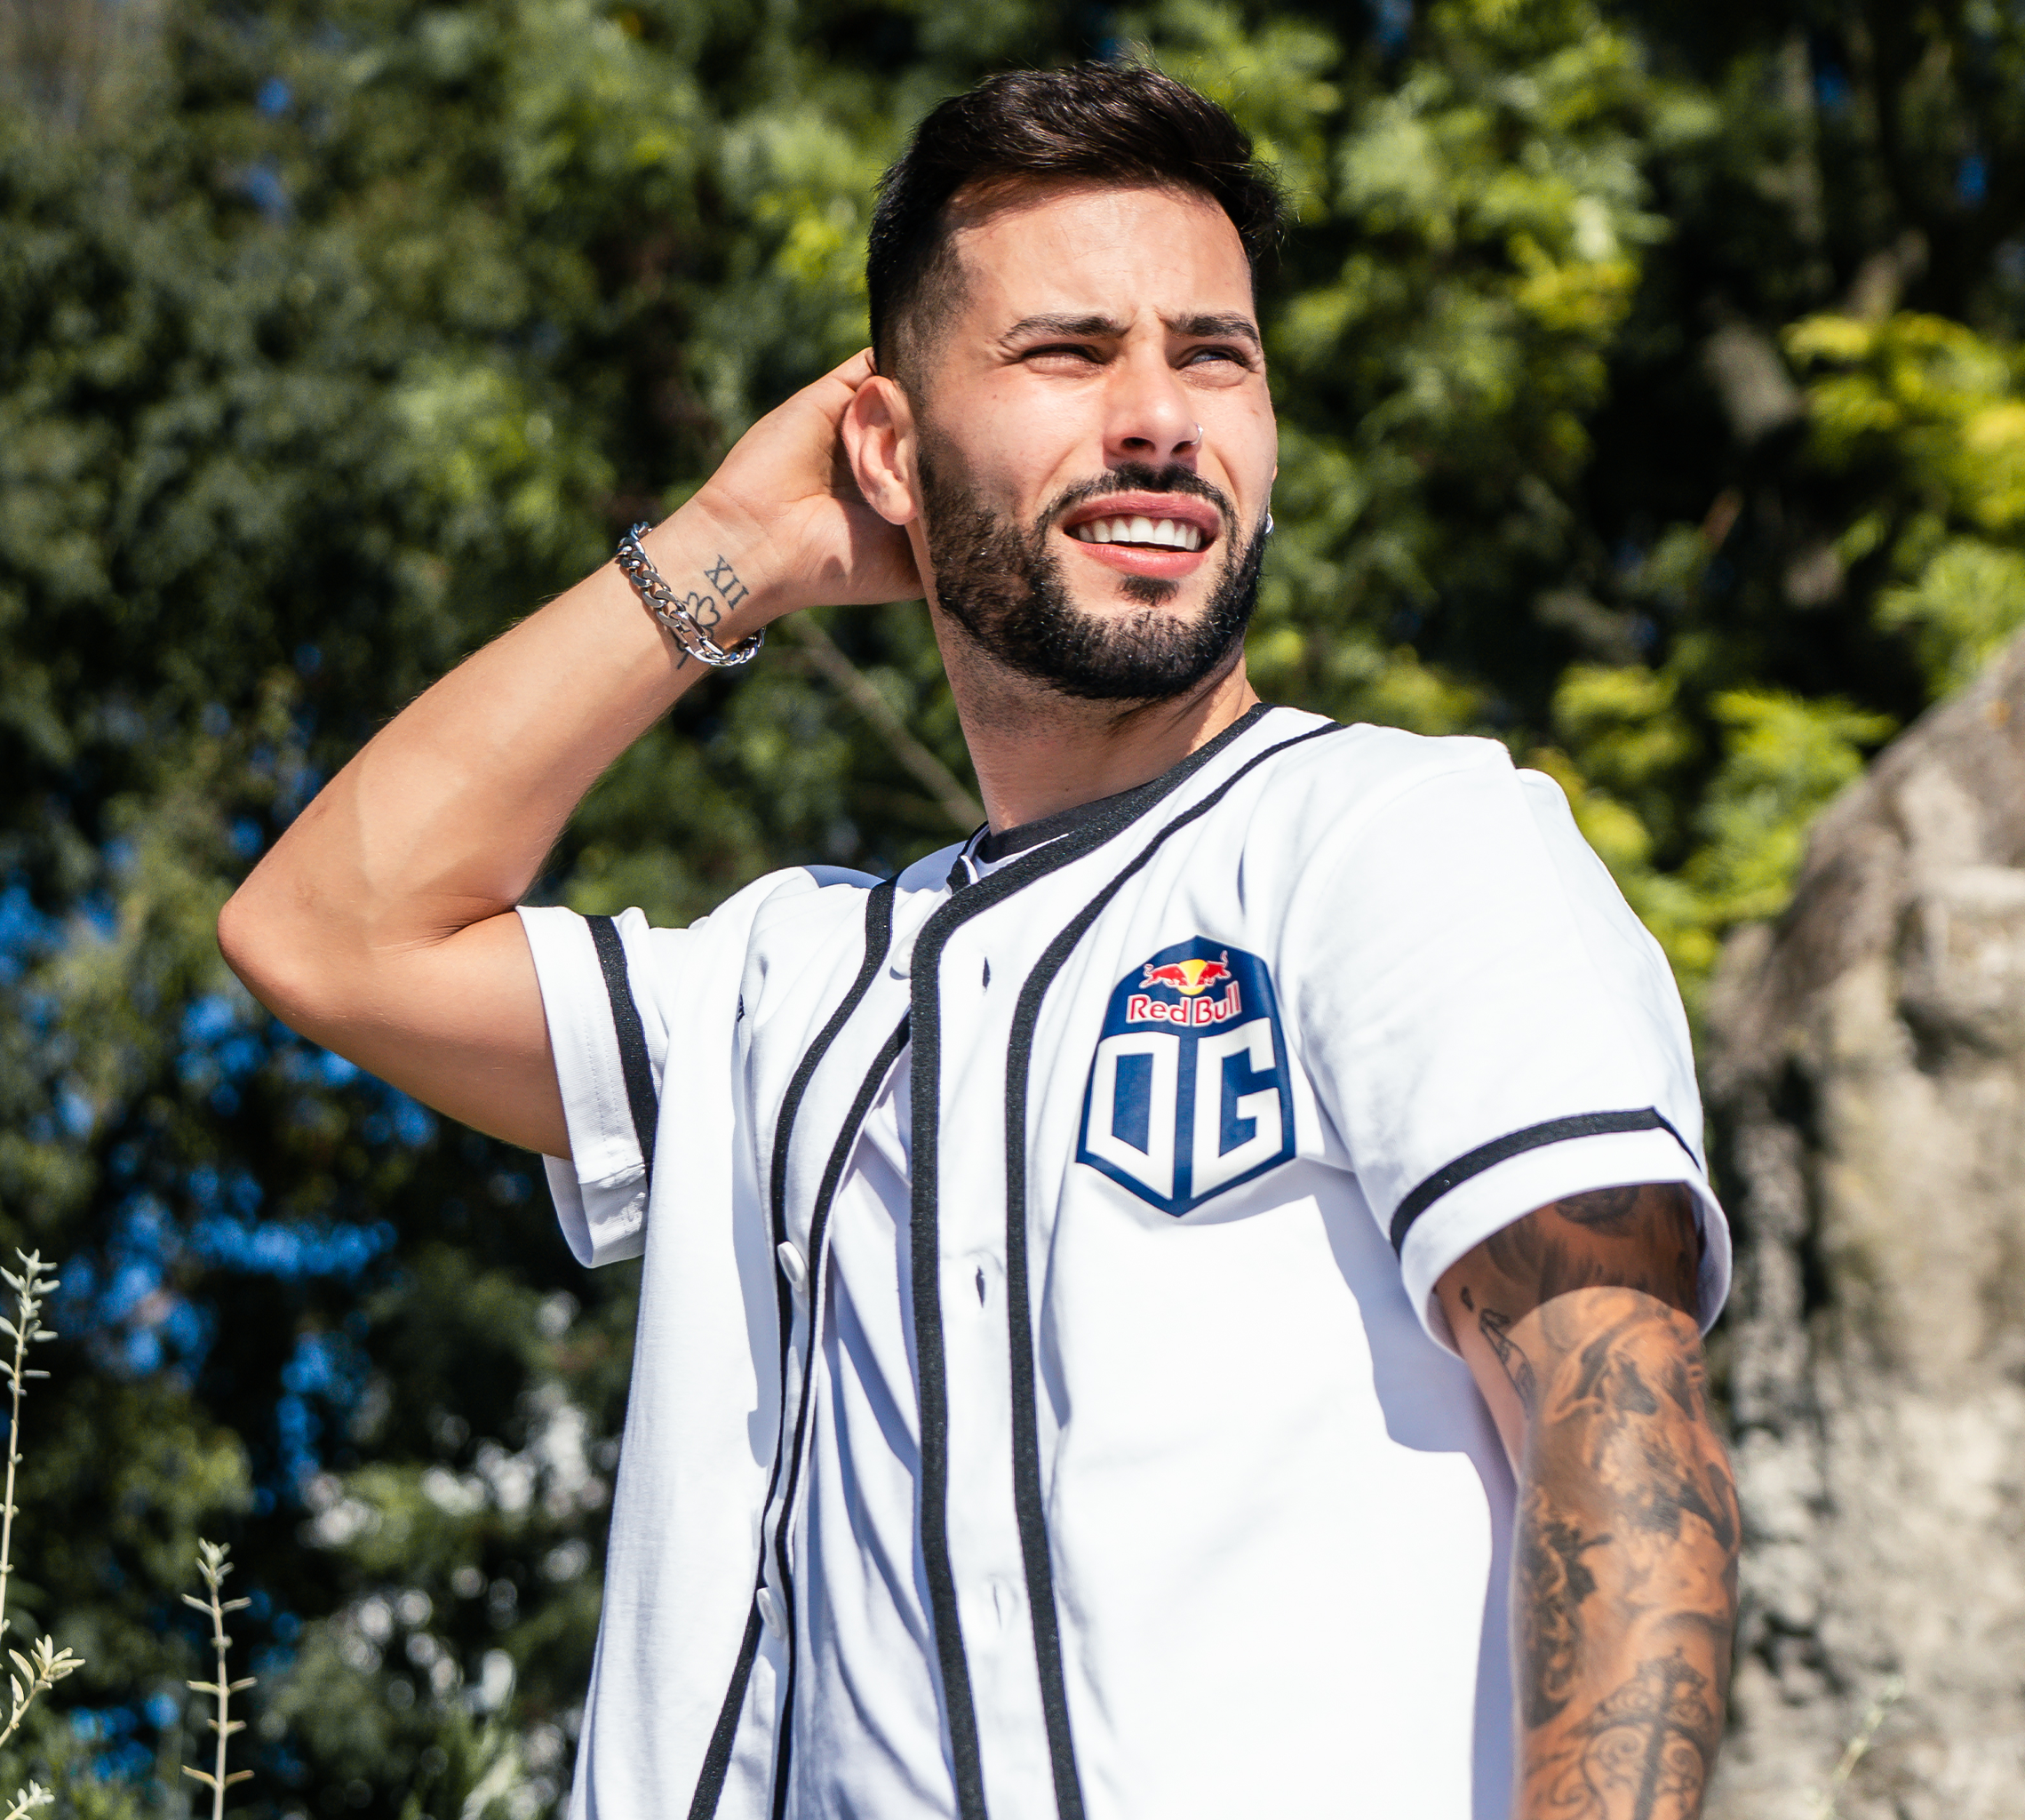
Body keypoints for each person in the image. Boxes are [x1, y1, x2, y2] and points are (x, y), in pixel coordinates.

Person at [219, 63, 1738, 1820]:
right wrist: (728, 550)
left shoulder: (1395, 838)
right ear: (884, 442)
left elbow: (1614, 1422)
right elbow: (327, 929)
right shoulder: (777, 992)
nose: (1159, 416)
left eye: (1213, 356)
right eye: (1067, 353)